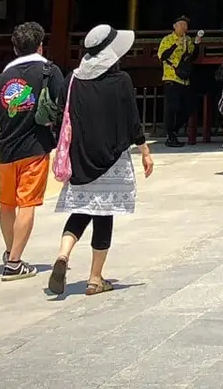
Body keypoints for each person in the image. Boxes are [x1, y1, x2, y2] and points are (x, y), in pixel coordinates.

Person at [47, 25, 153, 299]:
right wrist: (144, 150)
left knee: (80, 210)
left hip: (80, 156)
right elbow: (132, 120)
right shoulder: (121, 81)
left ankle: (63, 254)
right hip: (112, 158)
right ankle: (95, 278)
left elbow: (61, 116)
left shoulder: (73, 79)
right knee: (104, 216)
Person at [0, 21, 67, 278]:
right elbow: (63, 107)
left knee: (7, 203)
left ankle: (9, 250)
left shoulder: (4, 77)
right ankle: (14, 263)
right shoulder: (49, 71)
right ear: (40, 45)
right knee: (27, 203)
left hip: (5, 148)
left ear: (15, 48)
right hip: (35, 146)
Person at [156, 15, 200, 148]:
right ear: (174, 26)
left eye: (185, 25)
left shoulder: (187, 40)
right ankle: (170, 135)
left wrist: (197, 44)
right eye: (181, 24)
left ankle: (174, 131)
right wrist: (175, 45)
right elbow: (162, 56)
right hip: (171, 78)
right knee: (172, 108)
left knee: (188, 108)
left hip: (184, 79)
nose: (184, 27)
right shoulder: (168, 39)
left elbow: (193, 56)